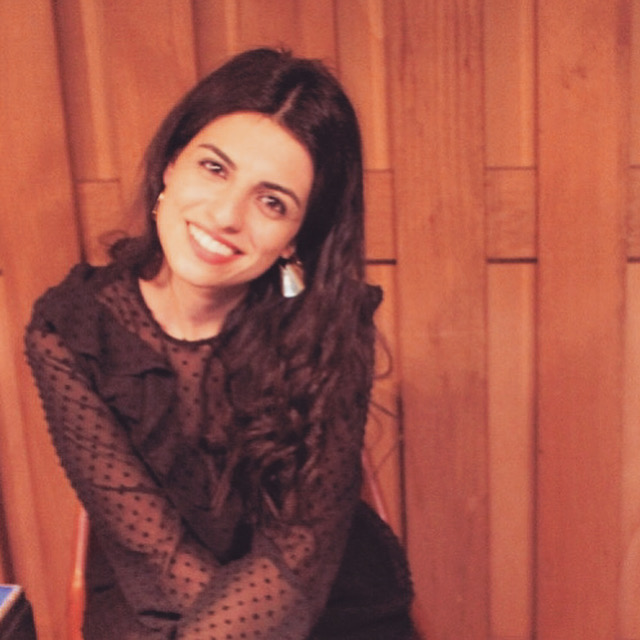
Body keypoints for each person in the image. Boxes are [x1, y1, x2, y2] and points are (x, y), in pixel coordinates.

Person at [25, 48, 413, 639]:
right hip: (150, 597)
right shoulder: (71, 331)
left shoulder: (332, 326)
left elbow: (300, 553)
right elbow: (149, 548)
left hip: (313, 598)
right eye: (214, 168)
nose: (227, 215)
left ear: (295, 238)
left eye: (272, 202)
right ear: (171, 163)